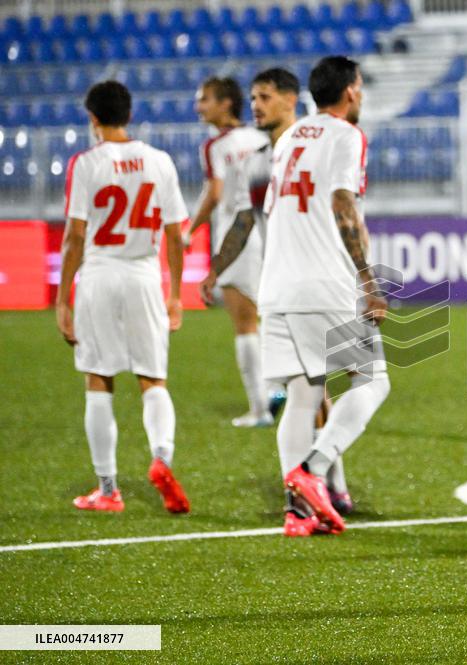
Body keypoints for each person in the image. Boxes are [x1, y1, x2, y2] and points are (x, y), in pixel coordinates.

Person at [204, 57, 389, 537]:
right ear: (350, 91)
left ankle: (297, 511)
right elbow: (343, 203)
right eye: (361, 87)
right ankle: (313, 469)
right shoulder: (346, 136)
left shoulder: (287, 142)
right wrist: (368, 278)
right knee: (373, 381)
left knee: (305, 394)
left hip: (277, 287)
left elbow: (259, 214)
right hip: (325, 281)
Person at [57, 80, 190, 514]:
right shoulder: (160, 161)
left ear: (92, 118)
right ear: (128, 115)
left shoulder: (85, 163)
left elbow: (75, 238)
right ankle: (162, 458)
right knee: (153, 380)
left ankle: (108, 490)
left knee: (99, 379)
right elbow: (176, 235)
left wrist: (63, 299)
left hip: (99, 275)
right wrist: (174, 293)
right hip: (144, 276)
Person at [188, 76, 272, 428]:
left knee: (244, 323)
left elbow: (216, 193)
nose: (198, 106)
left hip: (236, 238)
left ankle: (260, 408)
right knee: (271, 318)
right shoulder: (264, 137)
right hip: (268, 233)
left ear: (225, 103)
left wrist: (188, 230)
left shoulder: (216, 146)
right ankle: (280, 393)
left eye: (204, 99)